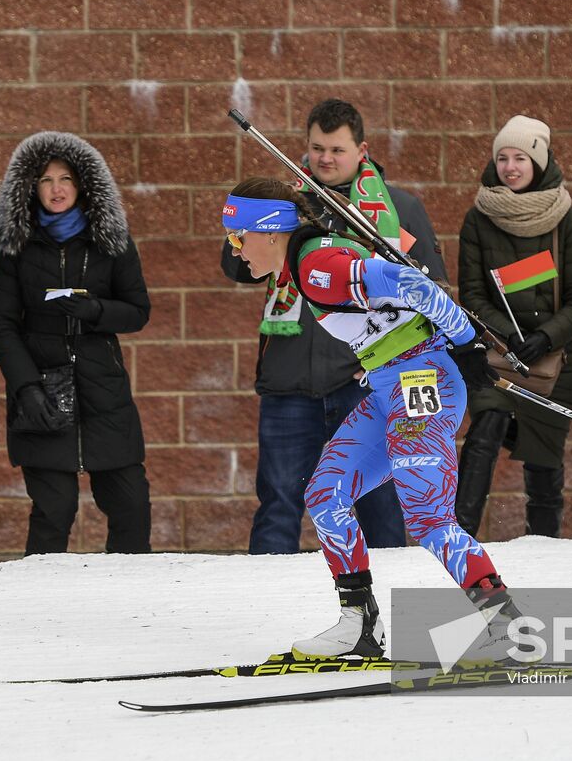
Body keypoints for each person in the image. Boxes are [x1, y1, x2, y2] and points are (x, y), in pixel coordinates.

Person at [222, 177, 521, 659]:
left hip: (422, 383)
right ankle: (359, 626)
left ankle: (506, 625)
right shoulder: (303, 262)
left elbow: (412, 283)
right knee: (325, 495)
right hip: (388, 386)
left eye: (238, 237)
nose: (235, 250)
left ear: (271, 230)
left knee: (427, 517)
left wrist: (467, 342)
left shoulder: (318, 266)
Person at [221, 99, 442, 556]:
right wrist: (284, 223)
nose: (325, 159)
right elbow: (237, 267)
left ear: (361, 150)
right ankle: (263, 602)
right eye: (317, 148)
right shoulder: (285, 203)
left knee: (379, 500)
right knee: (279, 502)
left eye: (337, 150)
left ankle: (389, 596)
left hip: (362, 379)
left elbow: (431, 283)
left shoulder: (396, 208)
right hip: (289, 380)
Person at [0, 131, 152, 555]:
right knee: (53, 512)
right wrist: (26, 388)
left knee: (131, 505)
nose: (56, 189)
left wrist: (95, 310)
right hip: (41, 392)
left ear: (82, 185)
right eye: (45, 180)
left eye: (65, 179)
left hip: (104, 391)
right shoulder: (15, 247)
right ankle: (41, 609)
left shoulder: (111, 241)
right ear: (30, 187)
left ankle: (131, 605)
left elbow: (137, 311)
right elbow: (0, 323)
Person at [455, 116, 572, 538]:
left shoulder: (566, 218)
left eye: (520, 157)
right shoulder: (478, 218)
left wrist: (545, 337)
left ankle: (545, 548)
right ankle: (457, 538)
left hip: (555, 361)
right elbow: (473, 294)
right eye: (502, 158)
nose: (510, 167)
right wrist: (508, 336)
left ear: (539, 161)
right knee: (486, 429)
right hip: (498, 355)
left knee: (545, 464)